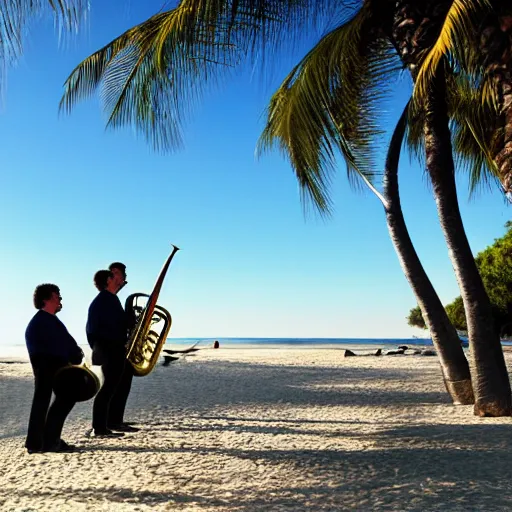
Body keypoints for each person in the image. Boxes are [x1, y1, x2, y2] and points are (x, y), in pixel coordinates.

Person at [25, 284, 83, 453]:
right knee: (60, 399)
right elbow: (61, 346)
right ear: (46, 299)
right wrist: (73, 355)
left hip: (52, 365)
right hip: (49, 366)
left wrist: (74, 353)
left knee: (44, 401)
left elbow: (65, 343)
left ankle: (39, 442)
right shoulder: (43, 321)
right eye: (57, 296)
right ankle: (47, 441)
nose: (60, 299)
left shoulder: (46, 320)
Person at [86, 270, 128, 437]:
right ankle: (99, 428)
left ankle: (104, 425)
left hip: (110, 349)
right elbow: (94, 329)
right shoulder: (104, 300)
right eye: (113, 277)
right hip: (110, 350)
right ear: (108, 280)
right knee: (108, 389)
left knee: (110, 388)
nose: (117, 279)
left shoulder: (108, 299)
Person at [106, 261, 138, 431]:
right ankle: (112, 422)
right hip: (112, 351)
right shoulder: (106, 298)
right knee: (115, 387)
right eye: (117, 273)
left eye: (123, 274)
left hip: (119, 350)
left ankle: (117, 418)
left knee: (123, 385)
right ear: (110, 275)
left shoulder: (113, 298)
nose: (121, 277)